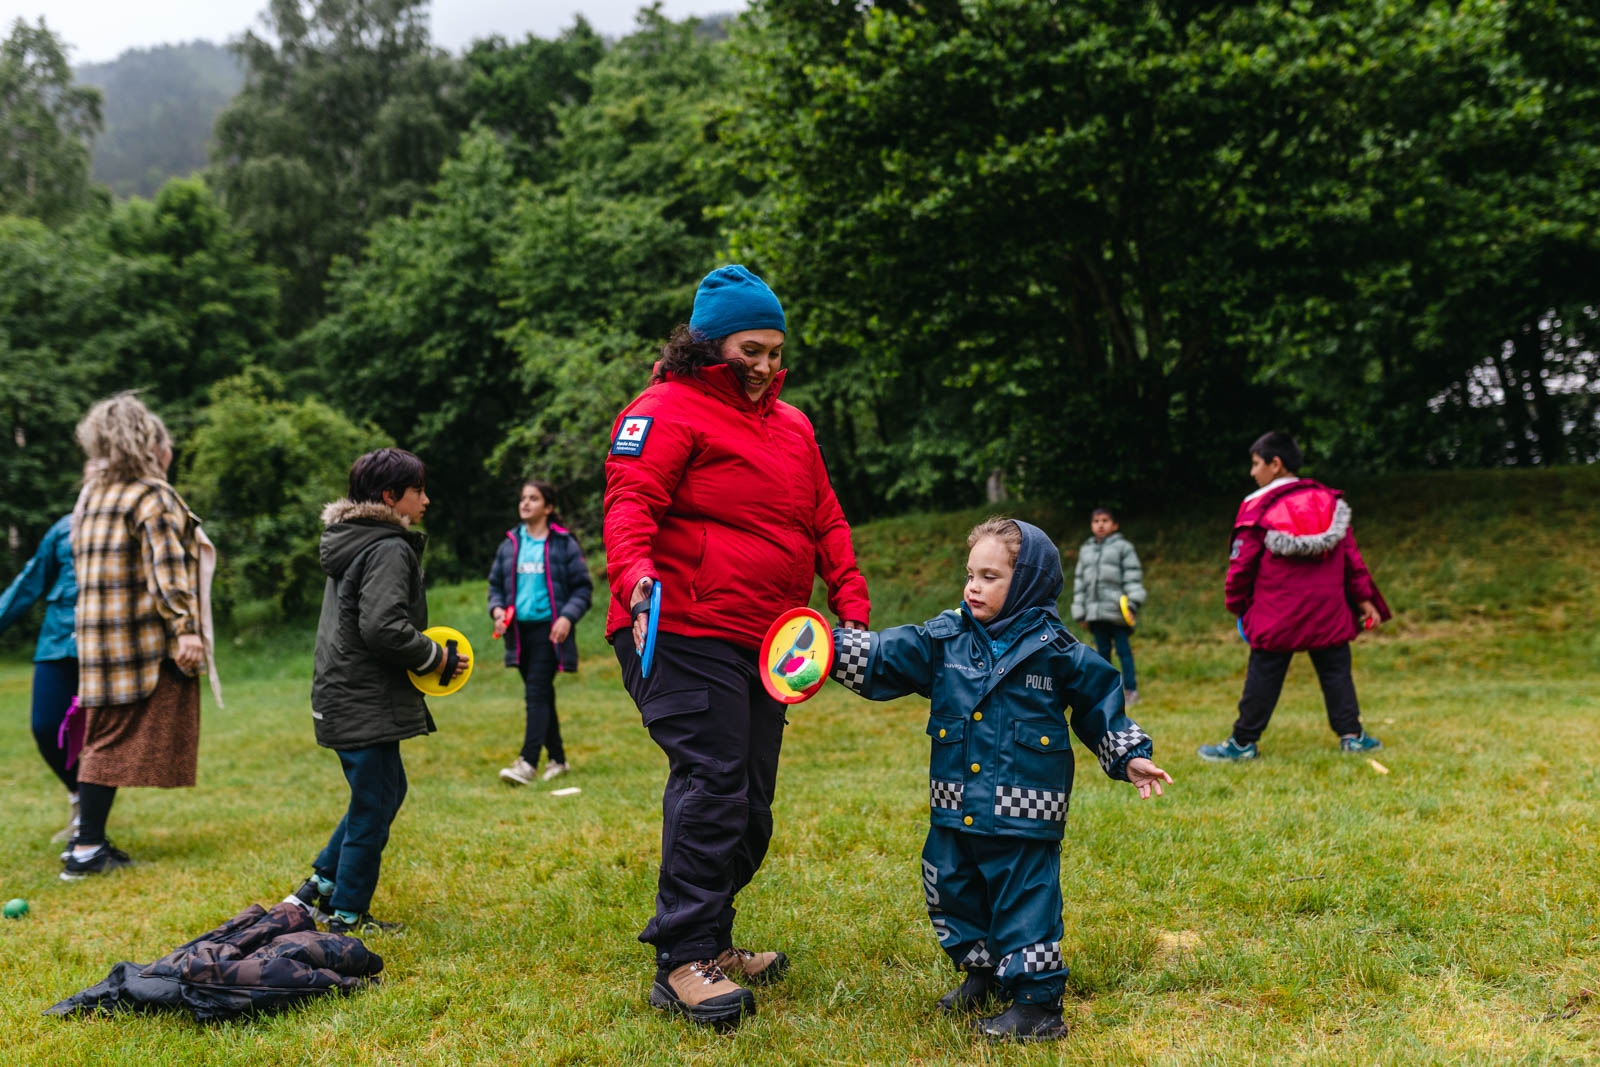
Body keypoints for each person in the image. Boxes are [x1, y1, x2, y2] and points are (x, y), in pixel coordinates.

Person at [604, 264, 871, 1028]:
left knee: (750, 805)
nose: (763, 364)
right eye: (750, 349)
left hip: (768, 638)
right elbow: (630, 502)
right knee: (713, 781)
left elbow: (826, 515)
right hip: (680, 626)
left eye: (773, 351)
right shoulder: (663, 409)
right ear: (710, 343)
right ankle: (681, 960)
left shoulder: (792, 425)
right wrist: (636, 578)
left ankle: (713, 940)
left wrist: (850, 603)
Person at [829, 518, 1171, 1042]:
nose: (973, 587)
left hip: (1024, 810)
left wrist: (1127, 754)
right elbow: (886, 655)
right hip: (955, 803)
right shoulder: (945, 638)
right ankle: (984, 973)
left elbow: (1099, 702)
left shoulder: (1056, 650)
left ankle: (1037, 1004)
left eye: (990, 577)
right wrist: (826, 648)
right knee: (951, 887)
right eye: (971, 574)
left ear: (1028, 582)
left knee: (1023, 901)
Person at [283, 448, 466, 935]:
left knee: (383, 791)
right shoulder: (387, 547)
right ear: (389, 496)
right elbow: (383, 627)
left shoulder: (356, 540)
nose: (425, 500)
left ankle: (320, 886)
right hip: (361, 695)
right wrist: (436, 657)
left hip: (346, 693)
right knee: (374, 802)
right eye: (418, 491)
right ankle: (346, 914)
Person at [67, 393, 211, 879]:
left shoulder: (93, 496)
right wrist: (186, 629)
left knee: (102, 741)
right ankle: (86, 850)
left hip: (98, 644)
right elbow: (167, 573)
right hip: (140, 647)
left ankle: (87, 843)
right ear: (150, 444)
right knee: (107, 747)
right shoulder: (151, 495)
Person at [1198, 431, 1391, 762]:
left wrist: (1237, 604)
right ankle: (1352, 737)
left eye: (1256, 464)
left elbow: (1241, 566)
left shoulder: (1256, 507)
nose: (1252, 472)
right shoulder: (1330, 502)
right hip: (1329, 611)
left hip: (1277, 613)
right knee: (1336, 673)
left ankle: (1243, 743)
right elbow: (1351, 558)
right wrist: (1364, 600)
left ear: (1275, 464)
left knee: (1263, 676)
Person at [487, 479, 593, 786]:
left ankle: (527, 763)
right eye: (523, 498)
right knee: (542, 694)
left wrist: (567, 617)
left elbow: (583, 588)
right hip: (519, 634)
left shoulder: (564, 543)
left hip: (550, 633)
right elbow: (495, 587)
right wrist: (497, 610)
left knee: (535, 693)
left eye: (533, 498)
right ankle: (558, 760)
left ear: (548, 507)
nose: (525, 503)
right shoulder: (510, 544)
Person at [0, 512, 81, 843]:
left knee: (101, 737)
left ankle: (90, 829)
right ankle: (79, 797)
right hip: (57, 641)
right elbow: (28, 582)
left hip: (110, 646)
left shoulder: (132, 522)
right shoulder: (64, 528)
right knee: (46, 726)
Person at [1069, 507, 1146, 705]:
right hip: (1095, 613)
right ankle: (1107, 691)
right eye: (1096, 521)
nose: (1100, 525)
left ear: (1115, 525)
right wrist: (1080, 612)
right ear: (1091, 525)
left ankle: (1130, 690)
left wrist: (1132, 604)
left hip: (1117, 612)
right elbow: (1080, 582)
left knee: (1123, 651)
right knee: (1101, 654)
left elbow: (1132, 576)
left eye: (1105, 521)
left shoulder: (1123, 547)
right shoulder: (1086, 550)